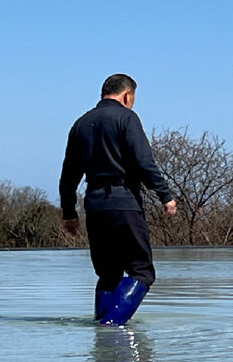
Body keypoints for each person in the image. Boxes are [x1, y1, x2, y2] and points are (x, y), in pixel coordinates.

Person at [60, 74, 177, 325]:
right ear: (127, 95)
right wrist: (164, 195)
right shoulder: (127, 118)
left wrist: (69, 212)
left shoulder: (81, 123)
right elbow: (144, 162)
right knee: (142, 272)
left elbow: (69, 175)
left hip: (94, 206)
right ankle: (111, 324)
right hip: (124, 203)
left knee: (108, 274)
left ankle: (102, 335)